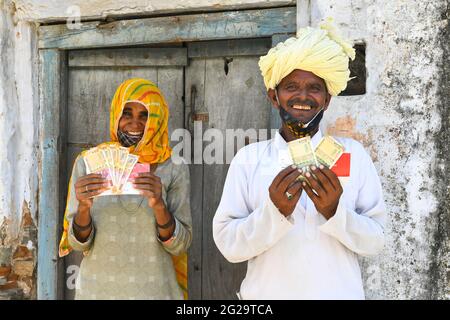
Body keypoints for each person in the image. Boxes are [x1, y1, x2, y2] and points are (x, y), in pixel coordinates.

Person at [212, 19, 386, 299]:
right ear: (274, 97)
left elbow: (376, 240)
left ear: (327, 100)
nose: (302, 96)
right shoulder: (249, 159)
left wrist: (334, 212)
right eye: (291, 86)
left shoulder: (352, 155)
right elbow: (229, 245)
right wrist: (274, 212)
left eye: (314, 88)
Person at [59, 78, 192, 300]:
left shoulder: (173, 167)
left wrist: (159, 205)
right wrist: (83, 207)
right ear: (116, 115)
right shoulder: (89, 163)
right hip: (97, 292)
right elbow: (76, 242)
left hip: (156, 293)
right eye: (127, 113)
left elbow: (181, 245)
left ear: (157, 121)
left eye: (145, 116)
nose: (135, 123)